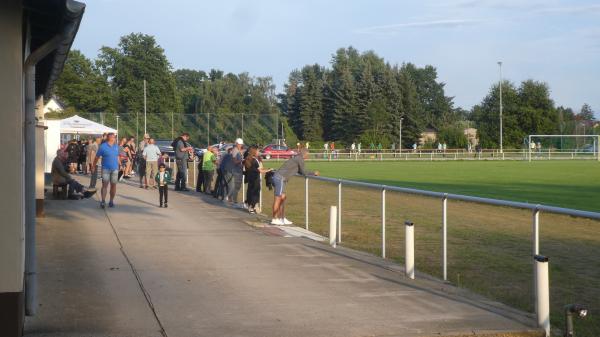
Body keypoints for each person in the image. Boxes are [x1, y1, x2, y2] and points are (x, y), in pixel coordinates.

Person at [271, 148, 319, 225]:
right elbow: (304, 172)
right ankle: (274, 218)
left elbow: (299, 171)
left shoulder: (297, 158)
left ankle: (282, 218)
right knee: (278, 198)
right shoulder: (300, 159)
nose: (308, 156)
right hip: (280, 178)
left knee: (283, 198)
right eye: (308, 155)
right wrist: (314, 173)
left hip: (280, 178)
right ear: (305, 154)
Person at [94, 133, 120, 208]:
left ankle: (111, 201)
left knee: (113, 185)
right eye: (113, 137)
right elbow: (97, 157)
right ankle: (103, 201)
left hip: (115, 169)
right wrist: (93, 166)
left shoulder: (116, 147)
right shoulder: (103, 146)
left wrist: (120, 165)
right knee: (105, 185)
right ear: (109, 138)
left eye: (115, 137)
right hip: (106, 169)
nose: (114, 138)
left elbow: (117, 156)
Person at [244, 146, 271, 214]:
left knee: (250, 192)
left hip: (250, 179)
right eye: (258, 151)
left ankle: (250, 205)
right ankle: (252, 207)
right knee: (255, 193)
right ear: (254, 152)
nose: (259, 152)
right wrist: (269, 170)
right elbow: (260, 171)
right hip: (255, 179)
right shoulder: (255, 160)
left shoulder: (248, 159)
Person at [226, 138, 245, 208]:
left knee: (238, 186)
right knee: (236, 186)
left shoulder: (238, 150)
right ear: (236, 144)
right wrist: (242, 161)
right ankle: (233, 200)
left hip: (239, 170)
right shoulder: (235, 150)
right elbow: (234, 161)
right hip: (236, 171)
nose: (241, 145)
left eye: (241, 144)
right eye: (240, 144)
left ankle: (232, 199)